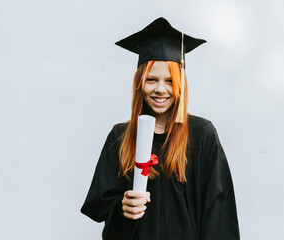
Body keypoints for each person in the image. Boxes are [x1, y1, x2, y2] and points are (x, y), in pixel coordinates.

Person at [81, 17, 240, 240]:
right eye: (151, 80)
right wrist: (122, 206)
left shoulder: (202, 135)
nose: (160, 89)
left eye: (169, 81)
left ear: (180, 85)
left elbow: (218, 214)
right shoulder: (120, 137)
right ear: (140, 83)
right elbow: (102, 205)